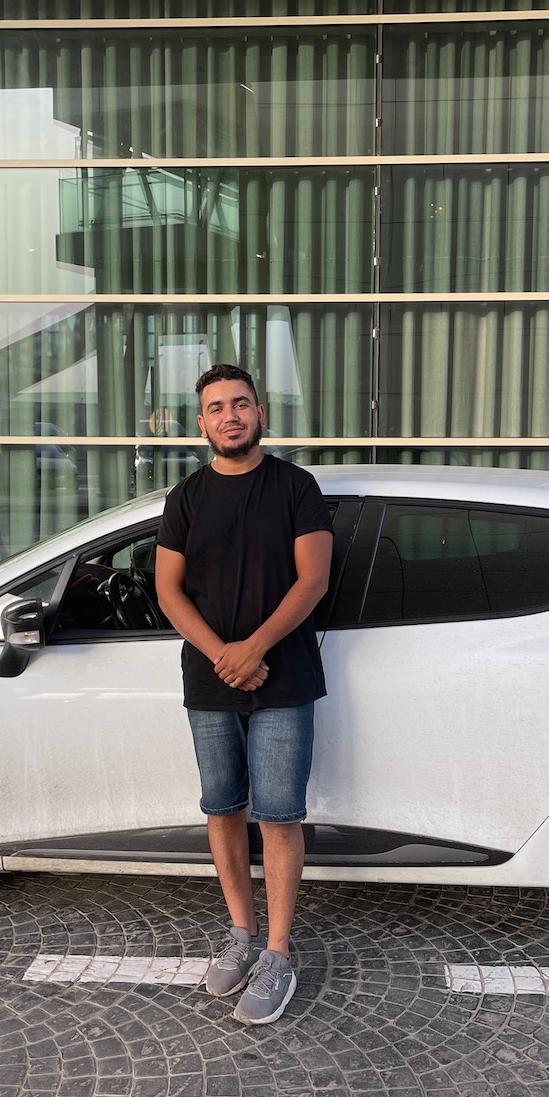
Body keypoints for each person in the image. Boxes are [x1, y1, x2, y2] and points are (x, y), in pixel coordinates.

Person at [155, 364, 333, 1025]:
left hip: (283, 675)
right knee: (222, 806)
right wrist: (225, 656)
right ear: (200, 423)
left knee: (280, 815)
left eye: (240, 404)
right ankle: (240, 933)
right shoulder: (187, 497)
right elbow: (169, 589)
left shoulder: (296, 487)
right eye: (216, 407)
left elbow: (312, 580)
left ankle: (279, 951)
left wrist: (254, 648)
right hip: (209, 679)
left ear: (261, 414)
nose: (230, 415)